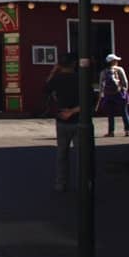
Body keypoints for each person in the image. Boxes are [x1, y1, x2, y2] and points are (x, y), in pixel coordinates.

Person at [44, 52, 80, 192]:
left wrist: (53, 71)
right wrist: (72, 111)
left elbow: (45, 88)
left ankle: (61, 183)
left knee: (62, 154)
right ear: (74, 64)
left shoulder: (57, 79)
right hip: (78, 119)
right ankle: (82, 183)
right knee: (81, 155)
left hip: (62, 120)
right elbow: (90, 100)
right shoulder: (80, 78)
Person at [98, 53, 129, 137]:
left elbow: (101, 84)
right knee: (124, 112)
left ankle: (111, 132)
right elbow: (125, 81)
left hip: (108, 95)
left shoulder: (103, 71)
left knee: (110, 114)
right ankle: (127, 131)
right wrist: (124, 90)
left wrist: (101, 94)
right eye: (116, 60)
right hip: (119, 94)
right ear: (113, 61)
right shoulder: (119, 69)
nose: (117, 61)